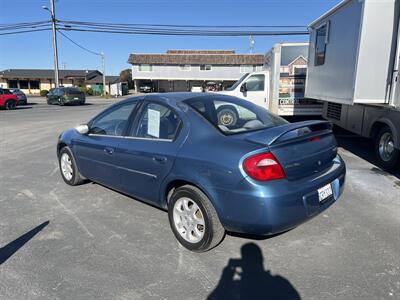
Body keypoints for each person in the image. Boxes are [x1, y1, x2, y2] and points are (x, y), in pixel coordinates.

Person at [208, 243, 301, 300]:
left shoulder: (235, 288)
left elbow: (214, 297)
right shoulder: (279, 283)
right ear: (261, 260)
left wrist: (226, 277)